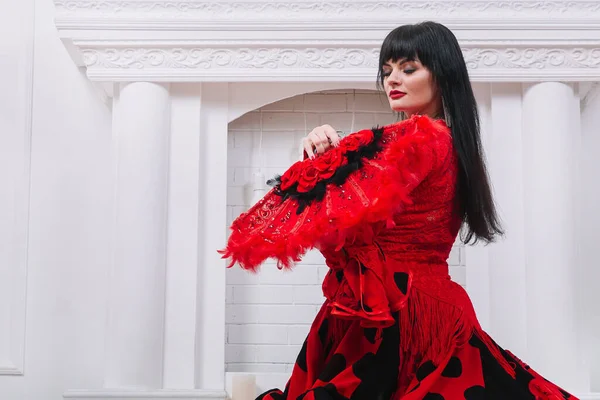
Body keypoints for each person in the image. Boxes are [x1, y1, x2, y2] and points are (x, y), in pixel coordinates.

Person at [220, 21, 577, 400]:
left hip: (399, 312)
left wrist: (325, 160)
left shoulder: (422, 138)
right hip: (413, 305)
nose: (393, 79)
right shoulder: (444, 143)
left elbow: (346, 221)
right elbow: (353, 217)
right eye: (387, 70)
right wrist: (329, 156)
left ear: (442, 74)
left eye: (409, 69)